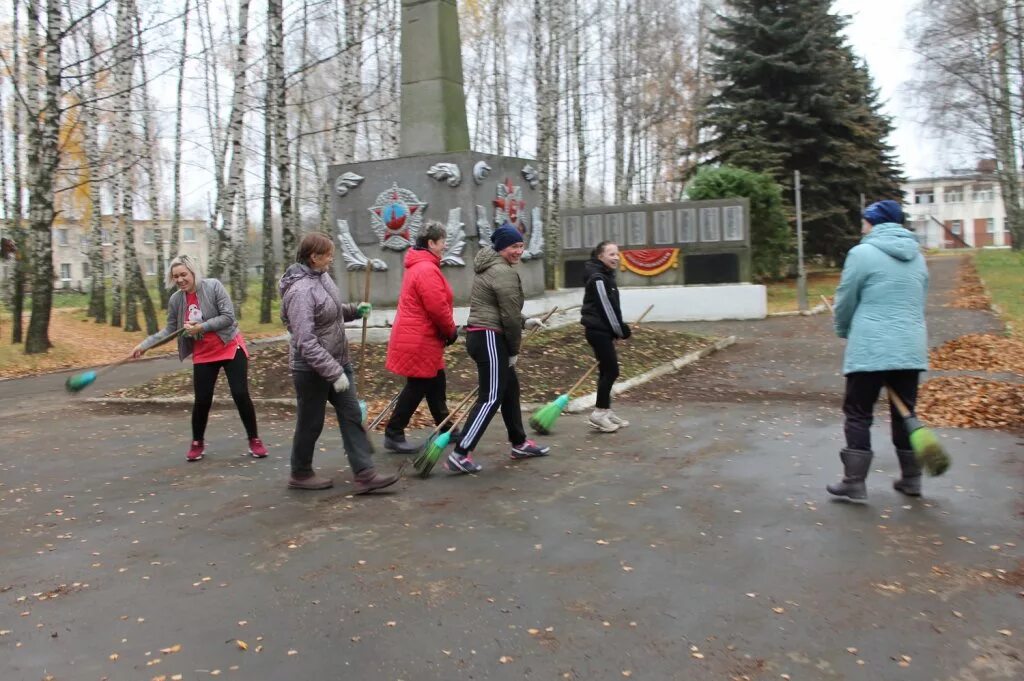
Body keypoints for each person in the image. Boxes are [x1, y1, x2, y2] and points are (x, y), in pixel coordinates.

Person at [279, 232, 399, 493]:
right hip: (311, 370)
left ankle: (365, 474)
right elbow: (305, 341)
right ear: (314, 257)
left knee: (352, 415)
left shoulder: (321, 278)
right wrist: (334, 373)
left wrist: (355, 310)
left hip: (337, 361)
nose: (332, 259)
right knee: (311, 423)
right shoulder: (299, 291)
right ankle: (300, 473)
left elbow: (330, 313)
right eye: (328, 255)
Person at [827, 200, 929, 500]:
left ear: (873, 222)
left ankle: (854, 482)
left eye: (864, 221)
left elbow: (846, 299)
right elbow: (918, 300)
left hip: (870, 345)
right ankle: (912, 479)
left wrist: (844, 330)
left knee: (858, 411)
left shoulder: (862, 253)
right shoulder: (918, 257)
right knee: (904, 412)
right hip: (909, 347)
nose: (862, 227)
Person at [132, 254, 266, 462]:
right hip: (204, 353)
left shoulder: (213, 287)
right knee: (202, 400)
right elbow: (169, 329)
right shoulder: (177, 300)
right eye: (175, 276)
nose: (180, 280)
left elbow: (228, 317)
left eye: (183, 274)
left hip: (229, 345)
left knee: (240, 393)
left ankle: (254, 439)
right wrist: (144, 346)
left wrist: (201, 327)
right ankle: (197, 443)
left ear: (193, 272)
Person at [445, 223, 550, 474]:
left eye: (521, 246)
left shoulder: (492, 267)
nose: (519, 251)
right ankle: (461, 453)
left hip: (484, 334)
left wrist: (526, 321)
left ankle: (520, 443)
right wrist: (513, 351)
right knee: (491, 397)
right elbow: (509, 318)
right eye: (514, 246)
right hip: (490, 338)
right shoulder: (502, 272)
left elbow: (506, 309)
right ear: (502, 247)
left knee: (510, 390)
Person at [383, 221, 459, 453]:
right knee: (418, 385)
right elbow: (437, 307)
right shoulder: (426, 269)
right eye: (442, 242)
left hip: (420, 336)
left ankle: (447, 428)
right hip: (420, 338)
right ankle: (393, 433)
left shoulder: (421, 266)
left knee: (436, 382)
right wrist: (451, 330)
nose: (444, 246)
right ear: (431, 243)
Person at [580, 240, 631, 433]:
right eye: (611, 254)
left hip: (603, 330)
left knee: (605, 371)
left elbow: (610, 307)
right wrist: (620, 330)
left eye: (617, 254)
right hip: (597, 331)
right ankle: (599, 414)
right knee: (611, 371)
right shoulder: (598, 278)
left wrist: (615, 330)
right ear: (600, 256)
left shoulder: (605, 275)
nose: (616, 258)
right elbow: (607, 308)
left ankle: (605, 410)